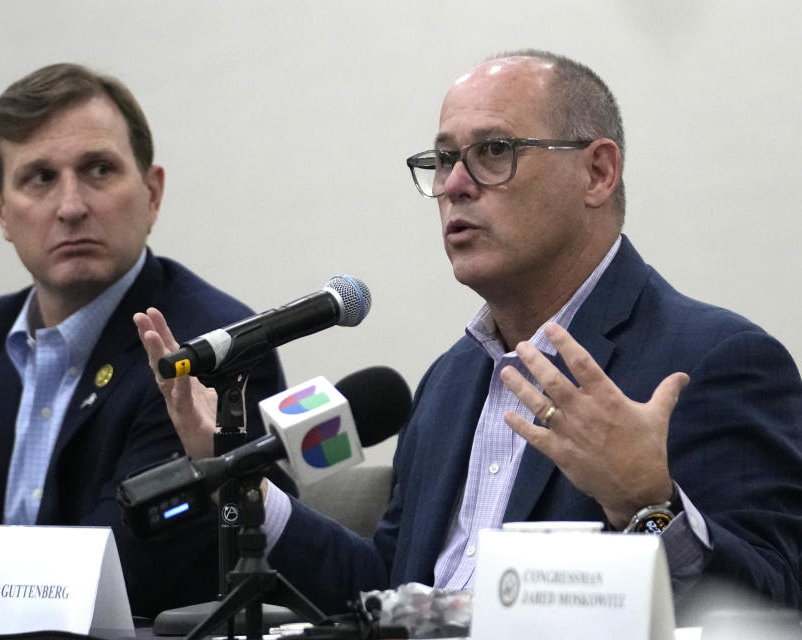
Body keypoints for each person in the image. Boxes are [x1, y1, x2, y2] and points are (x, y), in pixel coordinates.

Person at [136, 50, 802, 619]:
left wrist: (648, 503)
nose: (454, 185)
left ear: (598, 173)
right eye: (445, 159)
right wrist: (236, 477)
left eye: (494, 152)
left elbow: (774, 610)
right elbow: (387, 591)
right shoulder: (451, 379)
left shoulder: (715, 360)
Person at [0, 63, 291, 616]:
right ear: (1, 211)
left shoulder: (207, 347)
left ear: (152, 193)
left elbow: (98, 573)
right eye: (39, 178)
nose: (71, 206)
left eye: (98, 169)